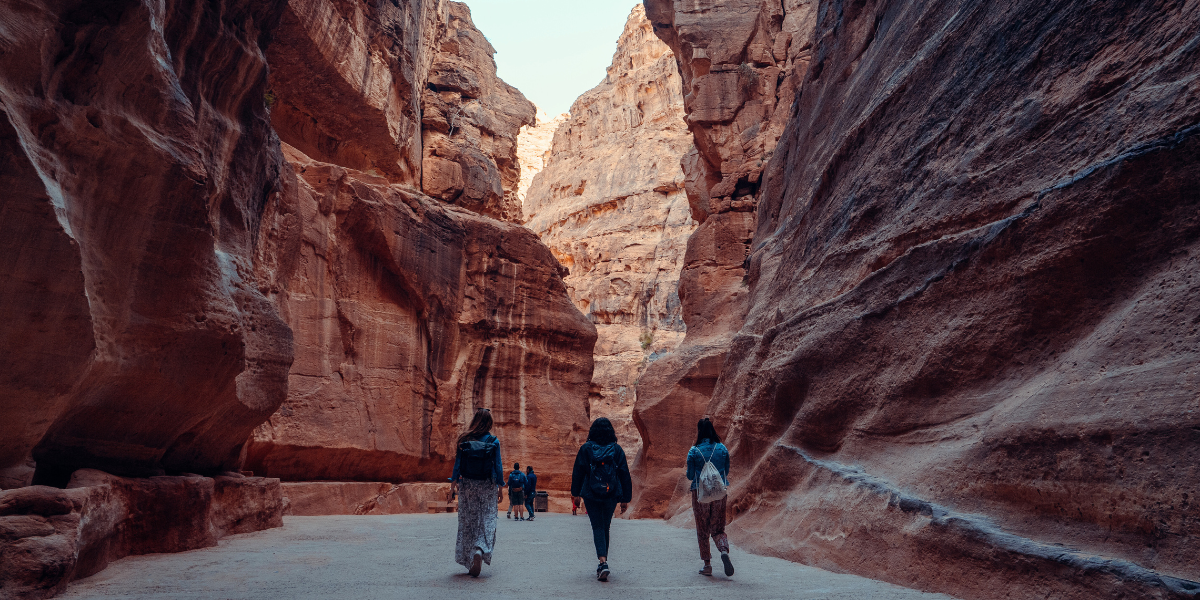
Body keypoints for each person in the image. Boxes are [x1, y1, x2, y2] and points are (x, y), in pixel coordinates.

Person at [571, 417, 632, 582]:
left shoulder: (586, 449)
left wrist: (576, 494)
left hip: (591, 493)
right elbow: (624, 474)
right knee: (606, 527)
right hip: (611, 493)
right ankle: (603, 561)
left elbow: (578, 471)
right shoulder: (617, 450)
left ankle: (602, 562)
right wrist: (625, 498)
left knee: (597, 526)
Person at [450, 409, 504, 577]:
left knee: (468, 520)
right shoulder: (493, 441)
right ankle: (480, 549)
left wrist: (453, 486)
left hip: (467, 485)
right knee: (487, 518)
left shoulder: (464, 439)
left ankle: (469, 557)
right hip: (487, 485)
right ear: (489, 423)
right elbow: (498, 466)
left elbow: (457, 464)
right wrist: (500, 487)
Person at [687, 418, 733, 577]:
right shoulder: (722, 448)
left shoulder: (693, 451)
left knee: (702, 529)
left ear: (699, 431)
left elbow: (689, 475)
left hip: (700, 493)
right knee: (718, 528)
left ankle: (707, 565)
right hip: (720, 492)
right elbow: (726, 471)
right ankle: (723, 551)